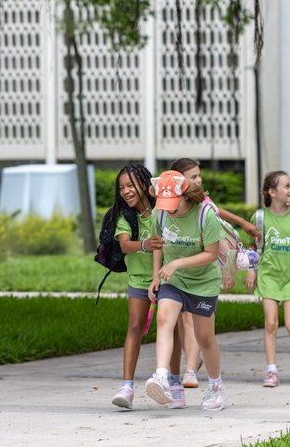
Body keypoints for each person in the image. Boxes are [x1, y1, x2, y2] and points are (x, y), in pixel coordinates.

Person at [144, 170, 229, 411]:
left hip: (203, 282)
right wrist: (155, 277)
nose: (170, 210)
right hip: (174, 280)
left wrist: (177, 263)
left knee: (204, 337)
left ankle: (216, 386)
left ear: (186, 195)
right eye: (166, 204)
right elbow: (158, 245)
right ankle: (164, 378)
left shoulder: (205, 215)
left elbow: (211, 254)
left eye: (174, 204)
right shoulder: (160, 215)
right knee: (164, 319)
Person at [167, 157, 255, 390]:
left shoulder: (201, 202)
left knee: (192, 320)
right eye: (193, 176)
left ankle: (190, 369)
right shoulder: (168, 204)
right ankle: (192, 362)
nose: (199, 179)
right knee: (180, 320)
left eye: (199, 175)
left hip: (203, 266)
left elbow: (216, 210)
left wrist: (243, 223)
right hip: (178, 268)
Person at [245, 171, 290, 388]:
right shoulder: (259, 218)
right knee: (270, 324)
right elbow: (252, 246)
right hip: (269, 275)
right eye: (286, 186)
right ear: (272, 192)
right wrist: (251, 269)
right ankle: (271, 371)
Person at [108, 164, 164, 409]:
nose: (126, 191)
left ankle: (172, 380)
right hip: (138, 280)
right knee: (134, 327)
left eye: (130, 185)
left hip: (166, 279)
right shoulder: (125, 217)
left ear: (144, 184)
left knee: (168, 329)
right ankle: (127, 387)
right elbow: (124, 245)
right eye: (121, 188)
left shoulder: (162, 211)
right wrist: (144, 245)